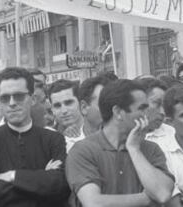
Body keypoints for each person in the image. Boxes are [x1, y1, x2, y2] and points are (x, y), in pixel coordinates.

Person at [66, 79, 174, 207]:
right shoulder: (83, 150)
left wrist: (134, 149)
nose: (147, 115)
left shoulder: (151, 149)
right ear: (118, 112)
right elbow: (93, 203)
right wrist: (146, 199)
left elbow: (162, 194)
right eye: (142, 109)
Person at [0, 67, 70, 207]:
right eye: (5, 98)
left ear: (32, 99)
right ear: (0, 102)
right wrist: (42, 177)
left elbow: (61, 186)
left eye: (18, 96)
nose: (12, 103)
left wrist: (13, 176)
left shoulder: (53, 139)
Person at [47, 79, 84, 151]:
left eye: (68, 103)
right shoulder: (49, 139)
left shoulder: (98, 128)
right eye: (57, 106)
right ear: (52, 109)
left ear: (80, 103)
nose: (64, 111)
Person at [137, 78, 176, 146]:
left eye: (164, 106)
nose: (163, 112)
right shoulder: (122, 135)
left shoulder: (173, 134)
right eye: (157, 103)